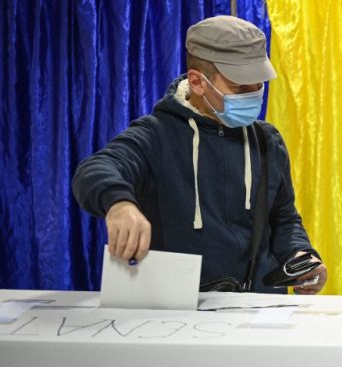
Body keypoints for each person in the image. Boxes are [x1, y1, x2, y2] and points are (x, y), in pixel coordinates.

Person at [72, 15, 326, 295]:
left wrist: (301, 255)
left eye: (259, 83)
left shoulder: (267, 140)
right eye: (241, 87)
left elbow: (284, 219)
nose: (255, 94)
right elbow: (95, 169)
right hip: (176, 313)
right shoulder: (156, 135)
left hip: (257, 314)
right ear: (197, 82)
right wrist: (119, 204)